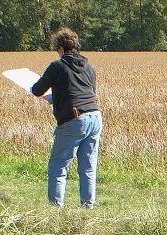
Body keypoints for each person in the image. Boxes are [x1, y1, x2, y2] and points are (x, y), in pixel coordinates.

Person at [31, 28, 102, 209]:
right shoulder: (89, 67)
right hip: (95, 116)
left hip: (74, 119)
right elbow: (83, 91)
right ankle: (88, 207)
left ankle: (55, 210)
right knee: (87, 166)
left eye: (57, 49)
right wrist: (58, 98)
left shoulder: (58, 66)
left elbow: (37, 90)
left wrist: (51, 96)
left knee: (59, 164)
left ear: (61, 47)